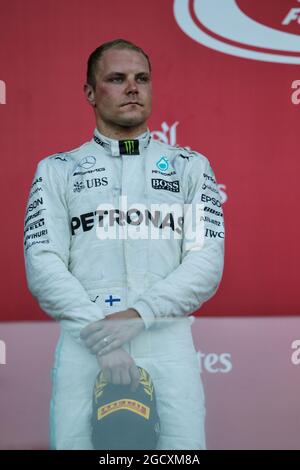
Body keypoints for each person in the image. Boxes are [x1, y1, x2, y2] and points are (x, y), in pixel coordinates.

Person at [24, 39, 225, 450]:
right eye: (117, 79)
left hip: (168, 344)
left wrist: (139, 314)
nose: (133, 88)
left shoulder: (191, 166)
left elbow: (206, 262)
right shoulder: (57, 170)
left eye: (142, 78)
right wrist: (101, 335)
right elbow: (42, 263)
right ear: (90, 93)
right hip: (85, 344)